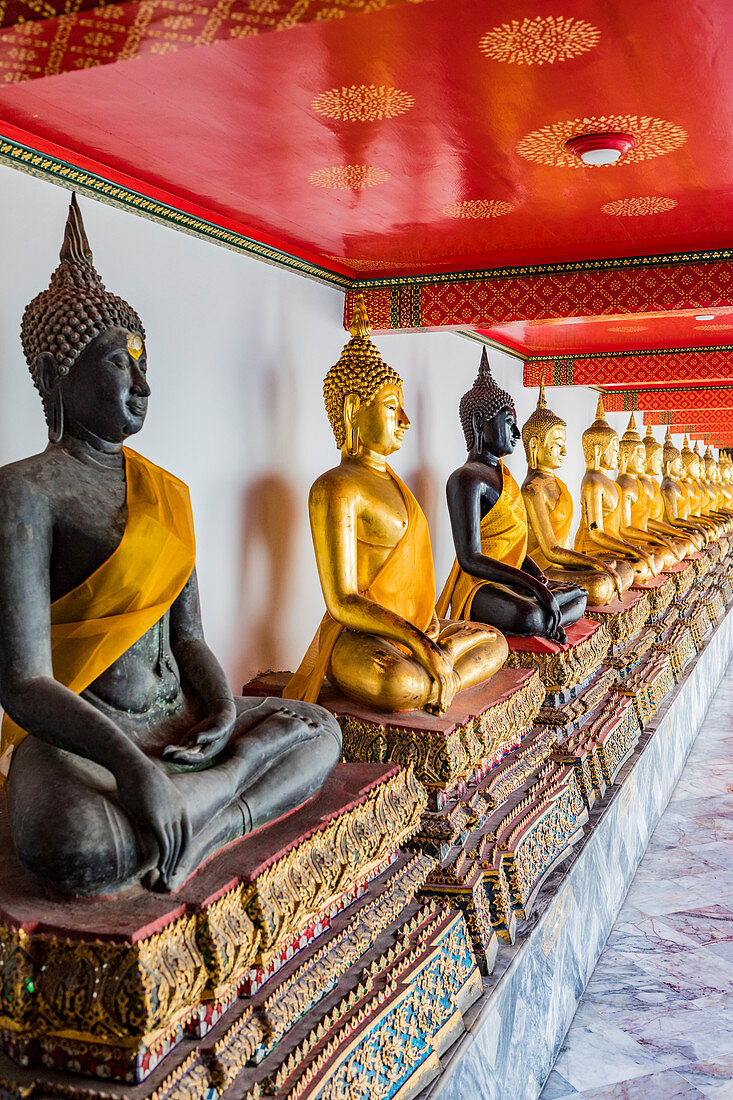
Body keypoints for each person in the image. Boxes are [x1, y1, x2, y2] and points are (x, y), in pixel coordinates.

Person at [0, 196, 341, 896]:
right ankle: (224, 798)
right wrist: (131, 768)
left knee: (318, 728)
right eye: (122, 364)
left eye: (144, 362)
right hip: (90, 743)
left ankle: (209, 800)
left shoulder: (168, 491)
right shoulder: (24, 491)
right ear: (55, 375)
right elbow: (23, 683)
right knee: (73, 843)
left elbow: (187, 638)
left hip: (180, 722)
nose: (144, 384)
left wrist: (219, 713)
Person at [284, 299, 508, 716]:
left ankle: (441, 675)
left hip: (421, 628)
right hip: (361, 638)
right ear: (353, 410)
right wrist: (422, 646)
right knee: (396, 682)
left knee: (496, 641)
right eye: (391, 407)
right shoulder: (335, 488)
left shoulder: (394, 484)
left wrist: (428, 636)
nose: (404, 419)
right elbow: (343, 600)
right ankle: (440, 674)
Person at [438, 350, 587, 644]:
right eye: (509, 423)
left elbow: (516, 548)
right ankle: (543, 617)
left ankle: (547, 612)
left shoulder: (504, 476)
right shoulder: (466, 478)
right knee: (531, 615)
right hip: (480, 585)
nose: (516, 433)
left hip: (513, 582)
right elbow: (470, 558)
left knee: (580, 595)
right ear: (480, 422)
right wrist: (536, 588)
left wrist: (542, 582)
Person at [520, 380, 627, 607]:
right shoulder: (533, 489)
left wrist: (595, 563)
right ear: (535, 446)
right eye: (558, 444)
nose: (565, 451)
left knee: (624, 568)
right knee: (600, 584)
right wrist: (595, 564)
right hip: (542, 568)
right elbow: (550, 550)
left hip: (564, 563)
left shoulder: (558, 484)